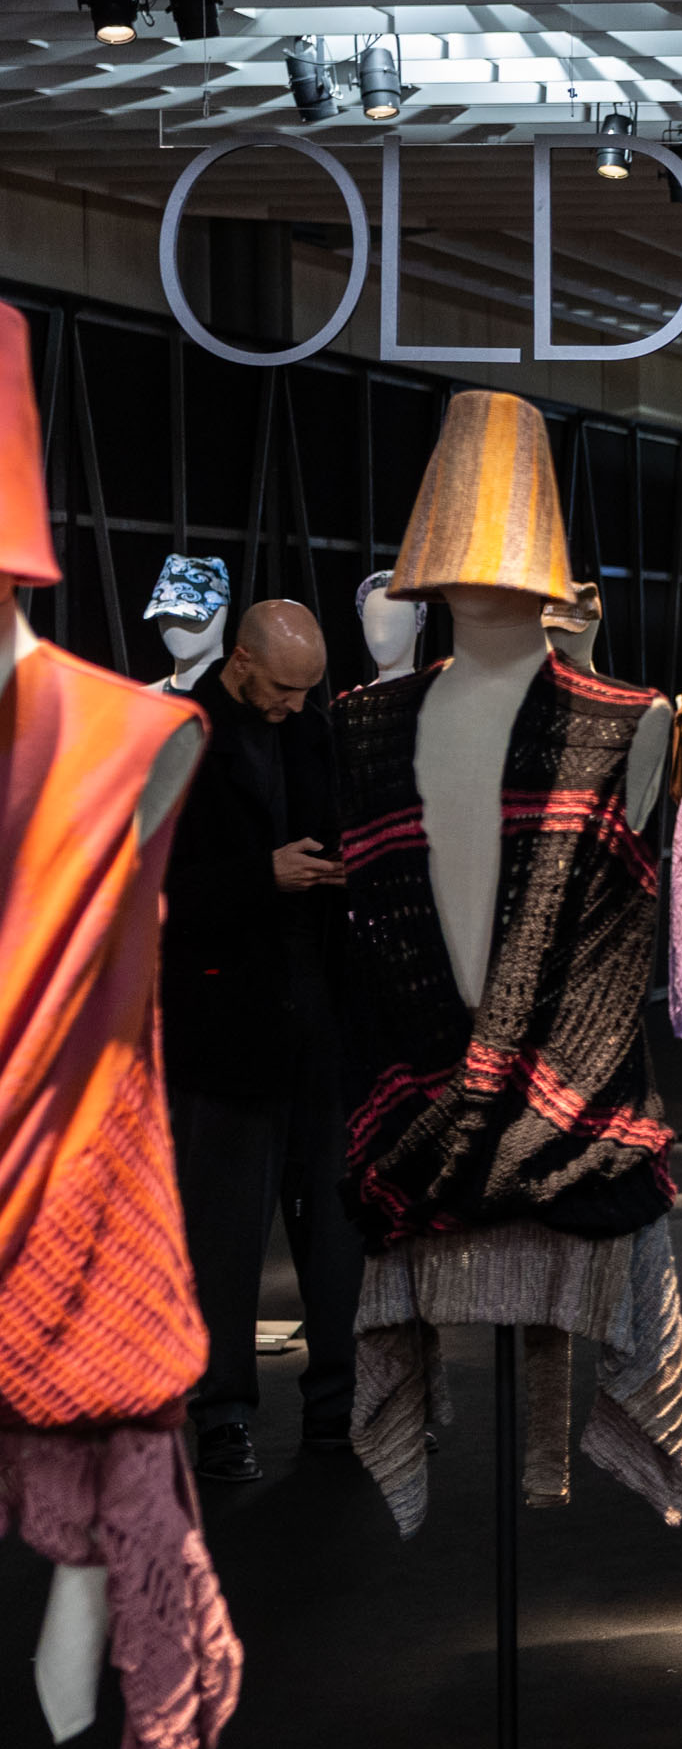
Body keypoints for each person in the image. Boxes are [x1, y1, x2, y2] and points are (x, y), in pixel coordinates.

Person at [157, 597, 357, 1483]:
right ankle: (224, 1414)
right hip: (221, 1017)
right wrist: (260, 877)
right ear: (239, 660)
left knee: (334, 1229)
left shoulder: (315, 732)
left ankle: (336, 1408)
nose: (292, 705)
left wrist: (341, 868)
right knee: (225, 1237)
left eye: (307, 690)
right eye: (281, 688)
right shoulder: (175, 735)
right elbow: (141, 884)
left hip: (313, 1007)